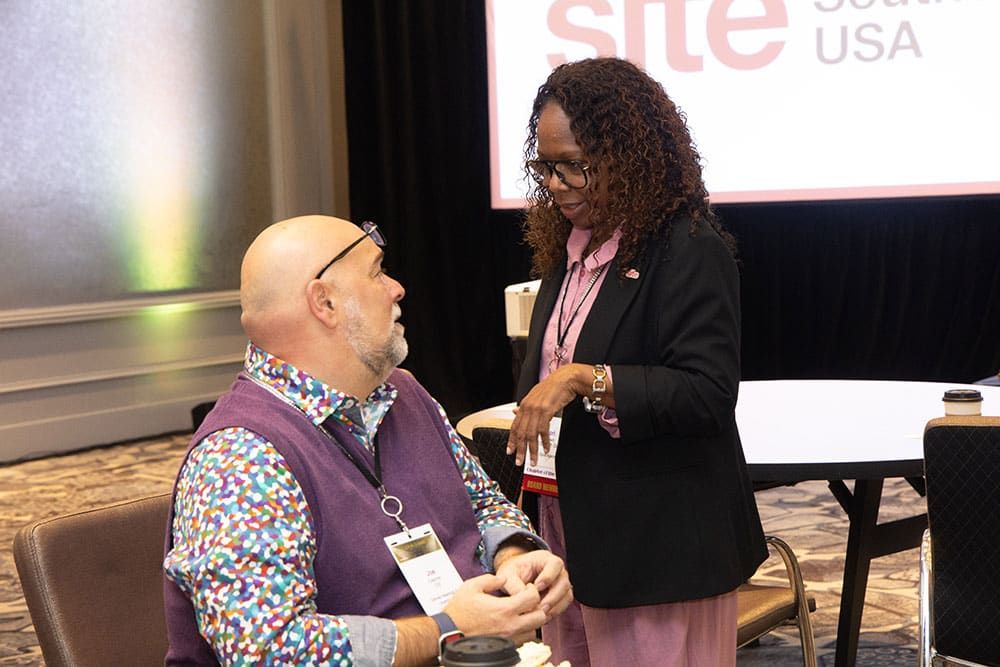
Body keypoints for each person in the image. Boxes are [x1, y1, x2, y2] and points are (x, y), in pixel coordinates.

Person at [163, 215, 572, 666]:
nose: (397, 288)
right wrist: (449, 629)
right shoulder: (241, 458)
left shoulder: (404, 394)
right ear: (325, 302)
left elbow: (482, 504)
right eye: (378, 272)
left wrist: (514, 555)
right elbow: (271, 653)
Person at [507, 57, 767, 666]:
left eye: (575, 165)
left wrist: (584, 380)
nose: (557, 184)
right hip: (570, 529)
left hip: (658, 548)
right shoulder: (570, 250)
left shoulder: (687, 247)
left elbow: (706, 393)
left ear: (626, 157)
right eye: (546, 167)